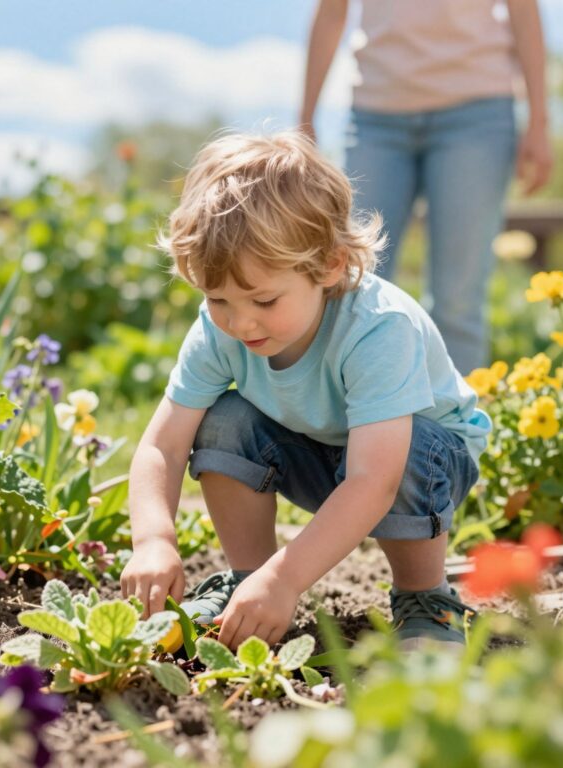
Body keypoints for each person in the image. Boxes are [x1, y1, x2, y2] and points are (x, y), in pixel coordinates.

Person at [119, 132, 488, 651]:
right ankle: (247, 582)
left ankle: (426, 597)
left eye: (264, 300)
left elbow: (373, 480)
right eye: (218, 298)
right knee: (223, 419)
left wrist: (287, 579)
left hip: (416, 467)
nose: (241, 322)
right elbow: (163, 445)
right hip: (318, 453)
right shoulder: (218, 328)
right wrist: (153, 540)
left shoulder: (377, 328)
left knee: (414, 449)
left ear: (330, 265)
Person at [299, 0, 553, 375]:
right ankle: (351, 423)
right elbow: (332, 12)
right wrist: (305, 120)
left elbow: (523, 10)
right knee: (351, 284)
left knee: (459, 300)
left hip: (477, 113)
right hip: (375, 115)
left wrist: (539, 122)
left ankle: (455, 430)